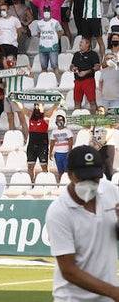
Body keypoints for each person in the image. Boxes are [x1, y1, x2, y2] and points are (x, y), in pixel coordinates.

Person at [45, 145, 119, 300]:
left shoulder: (110, 191)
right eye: (83, 178)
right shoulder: (59, 212)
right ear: (70, 174)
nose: (90, 183)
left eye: (94, 178)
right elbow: (69, 270)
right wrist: (113, 291)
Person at [72, 37, 102, 110]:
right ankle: (77, 119)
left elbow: (97, 66)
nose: (80, 44)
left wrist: (87, 72)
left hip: (88, 80)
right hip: (77, 81)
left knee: (92, 101)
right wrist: (72, 68)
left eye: (82, 42)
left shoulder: (93, 54)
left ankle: (95, 119)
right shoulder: (76, 54)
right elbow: (72, 65)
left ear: (87, 44)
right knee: (77, 102)